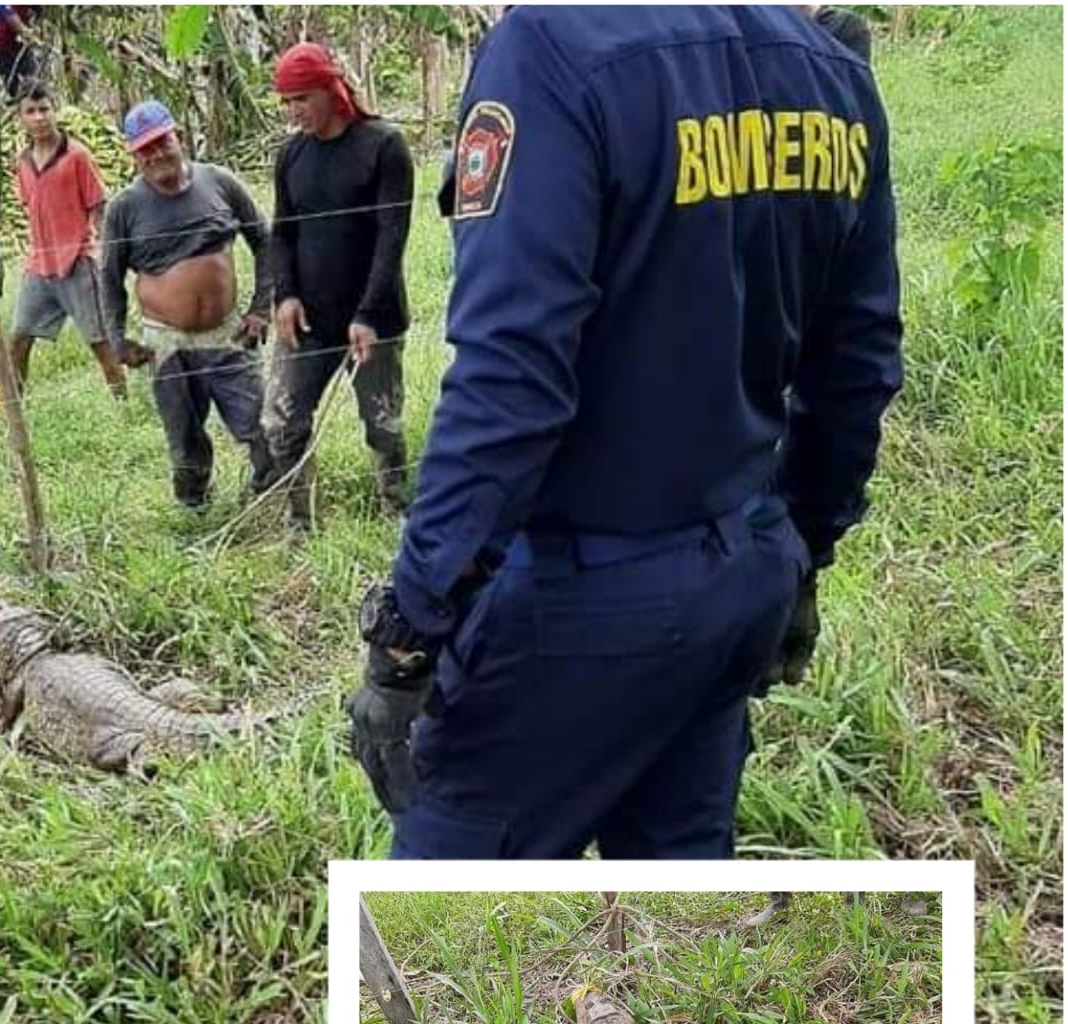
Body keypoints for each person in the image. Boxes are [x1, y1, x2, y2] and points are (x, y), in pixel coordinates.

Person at [348, 5, 903, 860]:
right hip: (740, 578)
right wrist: (802, 555)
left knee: (436, 937)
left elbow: (511, 385)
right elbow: (857, 361)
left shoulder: (552, 49)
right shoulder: (827, 71)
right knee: (677, 906)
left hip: (579, 603)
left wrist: (409, 629)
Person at [266, 43, 415, 529]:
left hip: (374, 317)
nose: (295, 112)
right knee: (282, 421)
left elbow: (393, 236)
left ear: (332, 91)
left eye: (303, 99)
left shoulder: (383, 145)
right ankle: (298, 522)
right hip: (309, 318)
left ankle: (396, 507)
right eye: (287, 102)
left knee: (383, 425)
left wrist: (369, 314)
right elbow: (282, 232)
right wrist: (284, 295)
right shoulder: (291, 156)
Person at [99, 101, 275, 510]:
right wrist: (117, 339)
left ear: (178, 136)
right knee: (183, 437)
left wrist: (261, 309)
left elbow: (265, 241)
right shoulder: (124, 208)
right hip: (166, 342)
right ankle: (194, 510)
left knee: (260, 425)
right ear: (134, 155)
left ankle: (272, 497)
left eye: (162, 142)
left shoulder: (220, 182)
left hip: (227, 334)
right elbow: (109, 279)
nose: (156, 155)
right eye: (145, 150)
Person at [10, 83, 125, 400]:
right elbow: (31, 209)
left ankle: (123, 403)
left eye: (44, 109)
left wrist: (105, 255)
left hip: (78, 262)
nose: (39, 118)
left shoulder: (77, 156)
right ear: (21, 119)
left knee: (99, 342)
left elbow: (98, 208)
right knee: (18, 339)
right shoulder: (22, 162)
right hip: (39, 266)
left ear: (55, 110)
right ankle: (16, 410)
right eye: (30, 112)